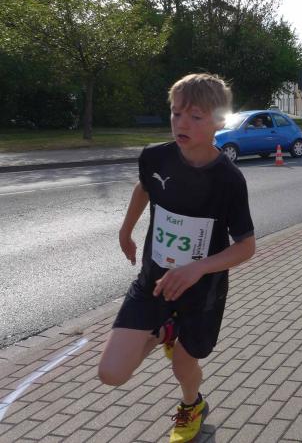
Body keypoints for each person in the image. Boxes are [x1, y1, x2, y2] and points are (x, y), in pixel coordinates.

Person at [97, 73, 256, 443]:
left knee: (184, 364)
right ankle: (163, 329)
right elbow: (144, 187)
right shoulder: (156, 156)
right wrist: (126, 229)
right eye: (176, 113)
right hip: (153, 281)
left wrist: (197, 268)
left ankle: (192, 405)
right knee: (111, 374)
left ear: (218, 121)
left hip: (201, 291)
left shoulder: (229, 180)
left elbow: (246, 247)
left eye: (195, 117)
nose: (181, 123)